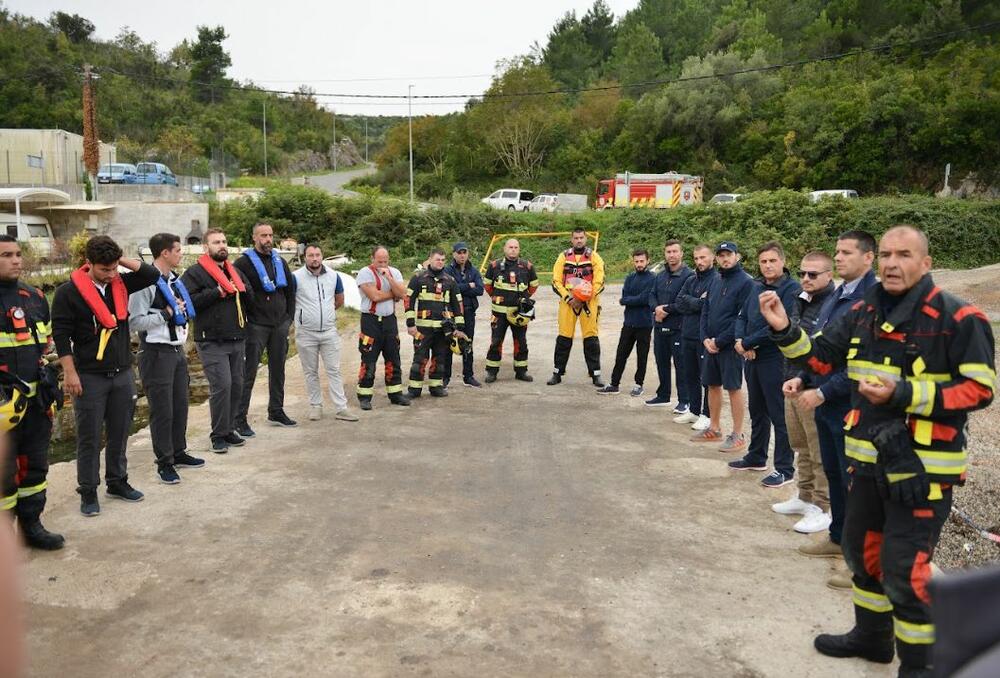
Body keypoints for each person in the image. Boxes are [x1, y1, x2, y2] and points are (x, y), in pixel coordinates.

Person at [759, 225, 995, 677]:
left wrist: (905, 393)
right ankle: (872, 637)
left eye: (903, 254)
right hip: (867, 463)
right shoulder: (863, 311)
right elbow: (821, 358)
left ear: (926, 263)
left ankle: (921, 666)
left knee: (905, 571)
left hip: (922, 473)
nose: (891, 262)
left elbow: (980, 390)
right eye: (886, 253)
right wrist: (785, 328)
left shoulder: (960, 318)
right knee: (862, 554)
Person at [52, 235, 160, 516]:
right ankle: (88, 491)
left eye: (114, 268)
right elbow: (61, 335)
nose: (111, 274)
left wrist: (120, 259)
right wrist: (70, 373)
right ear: (88, 264)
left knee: (120, 432)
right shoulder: (68, 292)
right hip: (89, 375)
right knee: (89, 437)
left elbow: (151, 273)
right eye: (104, 269)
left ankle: (117, 481)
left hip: (122, 372)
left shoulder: (121, 283)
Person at [794, 230, 879, 585]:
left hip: (851, 406)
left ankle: (858, 562)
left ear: (868, 258)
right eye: (837, 251)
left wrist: (825, 391)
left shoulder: (873, 298)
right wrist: (803, 377)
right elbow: (823, 346)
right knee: (834, 471)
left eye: (846, 252)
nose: (839, 257)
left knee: (854, 484)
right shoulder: (839, 295)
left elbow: (863, 364)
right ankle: (838, 538)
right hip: (828, 402)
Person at [0, 235, 63, 549]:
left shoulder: (35, 297)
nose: (15, 260)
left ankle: (31, 526)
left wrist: (51, 372)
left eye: (18, 254)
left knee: (35, 466)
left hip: (36, 403)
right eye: (6, 255)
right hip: (2, 411)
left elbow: (48, 345)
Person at [129, 233, 206, 485]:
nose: (181, 254)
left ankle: (178, 452)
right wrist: (166, 313)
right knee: (162, 411)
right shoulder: (145, 284)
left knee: (180, 406)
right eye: (178, 250)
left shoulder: (173, 281)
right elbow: (135, 321)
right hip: (155, 353)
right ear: (164, 253)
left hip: (176, 351)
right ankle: (164, 463)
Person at [728, 241, 801, 487]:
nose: (768, 265)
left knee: (779, 414)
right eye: (763, 261)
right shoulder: (755, 285)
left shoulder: (792, 289)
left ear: (783, 261)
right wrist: (740, 340)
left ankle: (784, 469)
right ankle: (757, 456)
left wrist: (748, 342)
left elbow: (780, 325)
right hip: (751, 357)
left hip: (775, 358)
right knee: (757, 410)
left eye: (772, 260)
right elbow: (742, 316)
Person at [772, 250, 835, 534]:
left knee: (819, 449)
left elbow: (820, 349)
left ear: (829, 275)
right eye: (802, 273)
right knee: (801, 446)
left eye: (813, 274)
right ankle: (804, 495)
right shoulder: (801, 300)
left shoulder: (833, 305)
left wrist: (803, 378)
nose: (806, 279)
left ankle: (822, 506)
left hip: (814, 386)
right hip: (792, 381)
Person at [181, 228, 254, 454]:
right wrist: (217, 292)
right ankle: (217, 435)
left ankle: (229, 429)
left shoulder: (234, 271)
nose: (221, 245)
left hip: (236, 336)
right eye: (216, 242)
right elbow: (189, 302)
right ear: (205, 247)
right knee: (221, 386)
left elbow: (248, 293)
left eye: (224, 242)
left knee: (236, 386)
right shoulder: (194, 273)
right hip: (211, 339)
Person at [234, 222, 297, 434]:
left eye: (270, 235)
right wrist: (246, 322)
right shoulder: (242, 263)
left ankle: (276, 410)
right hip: (256, 326)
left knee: (278, 369)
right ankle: (239, 419)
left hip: (279, 324)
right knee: (248, 372)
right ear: (254, 238)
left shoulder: (279, 261)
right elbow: (238, 296)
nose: (268, 239)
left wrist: (289, 318)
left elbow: (290, 290)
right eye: (263, 235)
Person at [691, 241, 753, 452]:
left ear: (737, 256)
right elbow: (705, 311)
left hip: (729, 346)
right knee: (712, 385)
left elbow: (742, 318)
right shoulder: (716, 280)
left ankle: (738, 434)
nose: (724, 259)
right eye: (721, 255)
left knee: (734, 388)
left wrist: (720, 341)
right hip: (711, 345)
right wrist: (706, 338)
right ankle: (714, 428)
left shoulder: (746, 282)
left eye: (729, 255)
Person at [292, 244, 358, 422]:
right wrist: (305, 317)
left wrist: (326, 314)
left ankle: (341, 408)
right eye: (310, 255)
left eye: (317, 255)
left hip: (329, 331)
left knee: (334, 370)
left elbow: (339, 299)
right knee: (310, 371)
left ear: (322, 256)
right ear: (304, 257)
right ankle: (316, 406)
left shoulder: (333, 276)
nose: (314, 258)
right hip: (306, 332)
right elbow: (289, 302)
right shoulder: (295, 277)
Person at [404, 248, 468, 398]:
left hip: (442, 330)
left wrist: (459, 327)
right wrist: (410, 324)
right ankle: (414, 389)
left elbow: (457, 304)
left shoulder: (450, 281)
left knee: (439, 359)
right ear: (430, 260)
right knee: (419, 359)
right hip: (422, 329)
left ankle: (436, 387)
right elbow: (408, 301)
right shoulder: (418, 278)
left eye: (442, 260)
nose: (440, 262)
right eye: (437, 259)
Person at [548, 228, 605, 386]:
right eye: (576, 238)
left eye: (581, 237)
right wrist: (569, 297)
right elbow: (556, 281)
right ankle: (557, 372)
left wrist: (585, 297)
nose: (579, 240)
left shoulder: (594, 257)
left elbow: (599, 281)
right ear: (571, 240)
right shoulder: (563, 256)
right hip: (568, 302)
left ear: (586, 239)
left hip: (589, 302)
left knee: (591, 338)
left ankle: (595, 374)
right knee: (564, 338)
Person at [355, 246, 411, 409]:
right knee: (369, 359)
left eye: (385, 261)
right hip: (370, 321)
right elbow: (375, 296)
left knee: (394, 358)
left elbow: (403, 293)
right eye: (379, 261)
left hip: (389, 321)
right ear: (372, 259)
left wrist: (390, 279)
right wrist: (394, 294)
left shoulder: (394, 272)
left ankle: (396, 394)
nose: (382, 264)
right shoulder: (365, 273)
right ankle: (364, 396)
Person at [597, 249, 656, 396]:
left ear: (648, 261)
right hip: (628, 323)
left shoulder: (653, 278)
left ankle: (638, 384)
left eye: (642, 261)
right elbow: (624, 297)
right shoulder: (630, 278)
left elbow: (645, 299)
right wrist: (630, 300)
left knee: (641, 356)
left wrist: (629, 300)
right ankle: (614, 384)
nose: (639, 264)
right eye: (636, 261)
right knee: (621, 354)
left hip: (645, 324)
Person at [673, 245, 718, 431]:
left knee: (706, 378)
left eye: (703, 257)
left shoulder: (716, 280)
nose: (699, 262)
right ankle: (694, 410)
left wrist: (694, 302)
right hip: (687, 333)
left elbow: (711, 306)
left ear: (712, 258)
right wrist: (698, 301)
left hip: (704, 336)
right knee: (689, 374)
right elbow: (679, 302)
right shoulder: (691, 279)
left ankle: (707, 414)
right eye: (697, 258)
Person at [483, 239, 539, 383]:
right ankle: (491, 372)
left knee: (520, 341)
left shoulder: (527, 267)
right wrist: (498, 298)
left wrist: (524, 299)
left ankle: (521, 371)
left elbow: (533, 286)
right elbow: (488, 286)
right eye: (510, 247)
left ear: (519, 249)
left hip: (519, 312)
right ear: (504, 249)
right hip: (499, 313)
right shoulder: (494, 266)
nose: (513, 249)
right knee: (496, 341)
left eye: (515, 247)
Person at [645, 240, 693, 408]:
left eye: (674, 251)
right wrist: (656, 309)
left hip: (678, 328)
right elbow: (651, 295)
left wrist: (666, 309)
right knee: (661, 362)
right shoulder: (660, 275)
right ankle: (663, 395)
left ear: (681, 253)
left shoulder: (689, 276)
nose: (671, 255)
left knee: (681, 366)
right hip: (659, 327)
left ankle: (684, 401)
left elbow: (685, 301)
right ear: (665, 254)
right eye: (668, 252)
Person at [443, 242, 484, 388]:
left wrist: (460, 287)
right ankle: (445, 378)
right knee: (448, 344)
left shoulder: (473, 270)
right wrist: (468, 285)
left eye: (464, 252)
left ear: (468, 254)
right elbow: (449, 288)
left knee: (468, 343)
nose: (462, 255)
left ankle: (469, 376)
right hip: (452, 313)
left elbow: (480, 290)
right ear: (454, 254)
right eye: (459, 253)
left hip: (468, 312)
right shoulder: (447, 270)